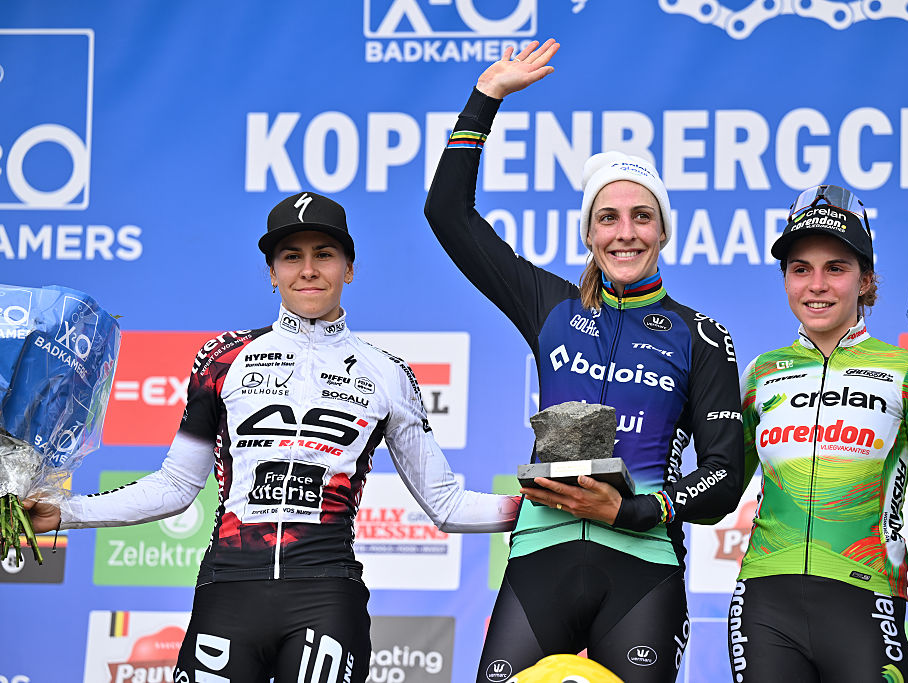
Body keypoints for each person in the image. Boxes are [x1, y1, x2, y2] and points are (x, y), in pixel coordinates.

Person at [25, 191, 520, 683]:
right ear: (271, 272)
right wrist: (65, 511)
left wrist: (546, 507)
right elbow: (176, 486)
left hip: (326, 594)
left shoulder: (389, 374)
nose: (308, 270)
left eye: (324, 254)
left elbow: (447, 505)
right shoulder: (222, 357)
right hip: (229, 590)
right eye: (291, 257)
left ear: (350, 268)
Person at [424, 40, 744, 682]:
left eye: (641, 217)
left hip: (643, 566)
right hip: (539, 557)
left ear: (663, 231)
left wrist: (629, 511)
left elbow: (724, 474)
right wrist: (484, 100)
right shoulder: (549, 304)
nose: (625, 232)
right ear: (589, 234)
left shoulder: (700, 336)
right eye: (608, 218)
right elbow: (448, 215)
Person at [730, 184, 908, 683]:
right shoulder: (760, 373)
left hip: (867, 598)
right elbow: (720, 489)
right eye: (801, 269)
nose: (816, 285)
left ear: (866, 280)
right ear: (785, 279)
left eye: (836, 268)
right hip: (763, 598)